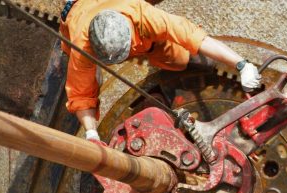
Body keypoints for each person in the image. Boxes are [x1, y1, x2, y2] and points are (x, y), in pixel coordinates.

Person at [60, 0, 262, 141]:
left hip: (130, 22)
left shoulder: (143, 15)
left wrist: (242, 65)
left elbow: (191, 35)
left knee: (180, 59)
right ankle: (95, 71)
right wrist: (91, 134)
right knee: (88, 80)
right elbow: (80, 95)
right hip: (77, 12)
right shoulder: (82, 45)